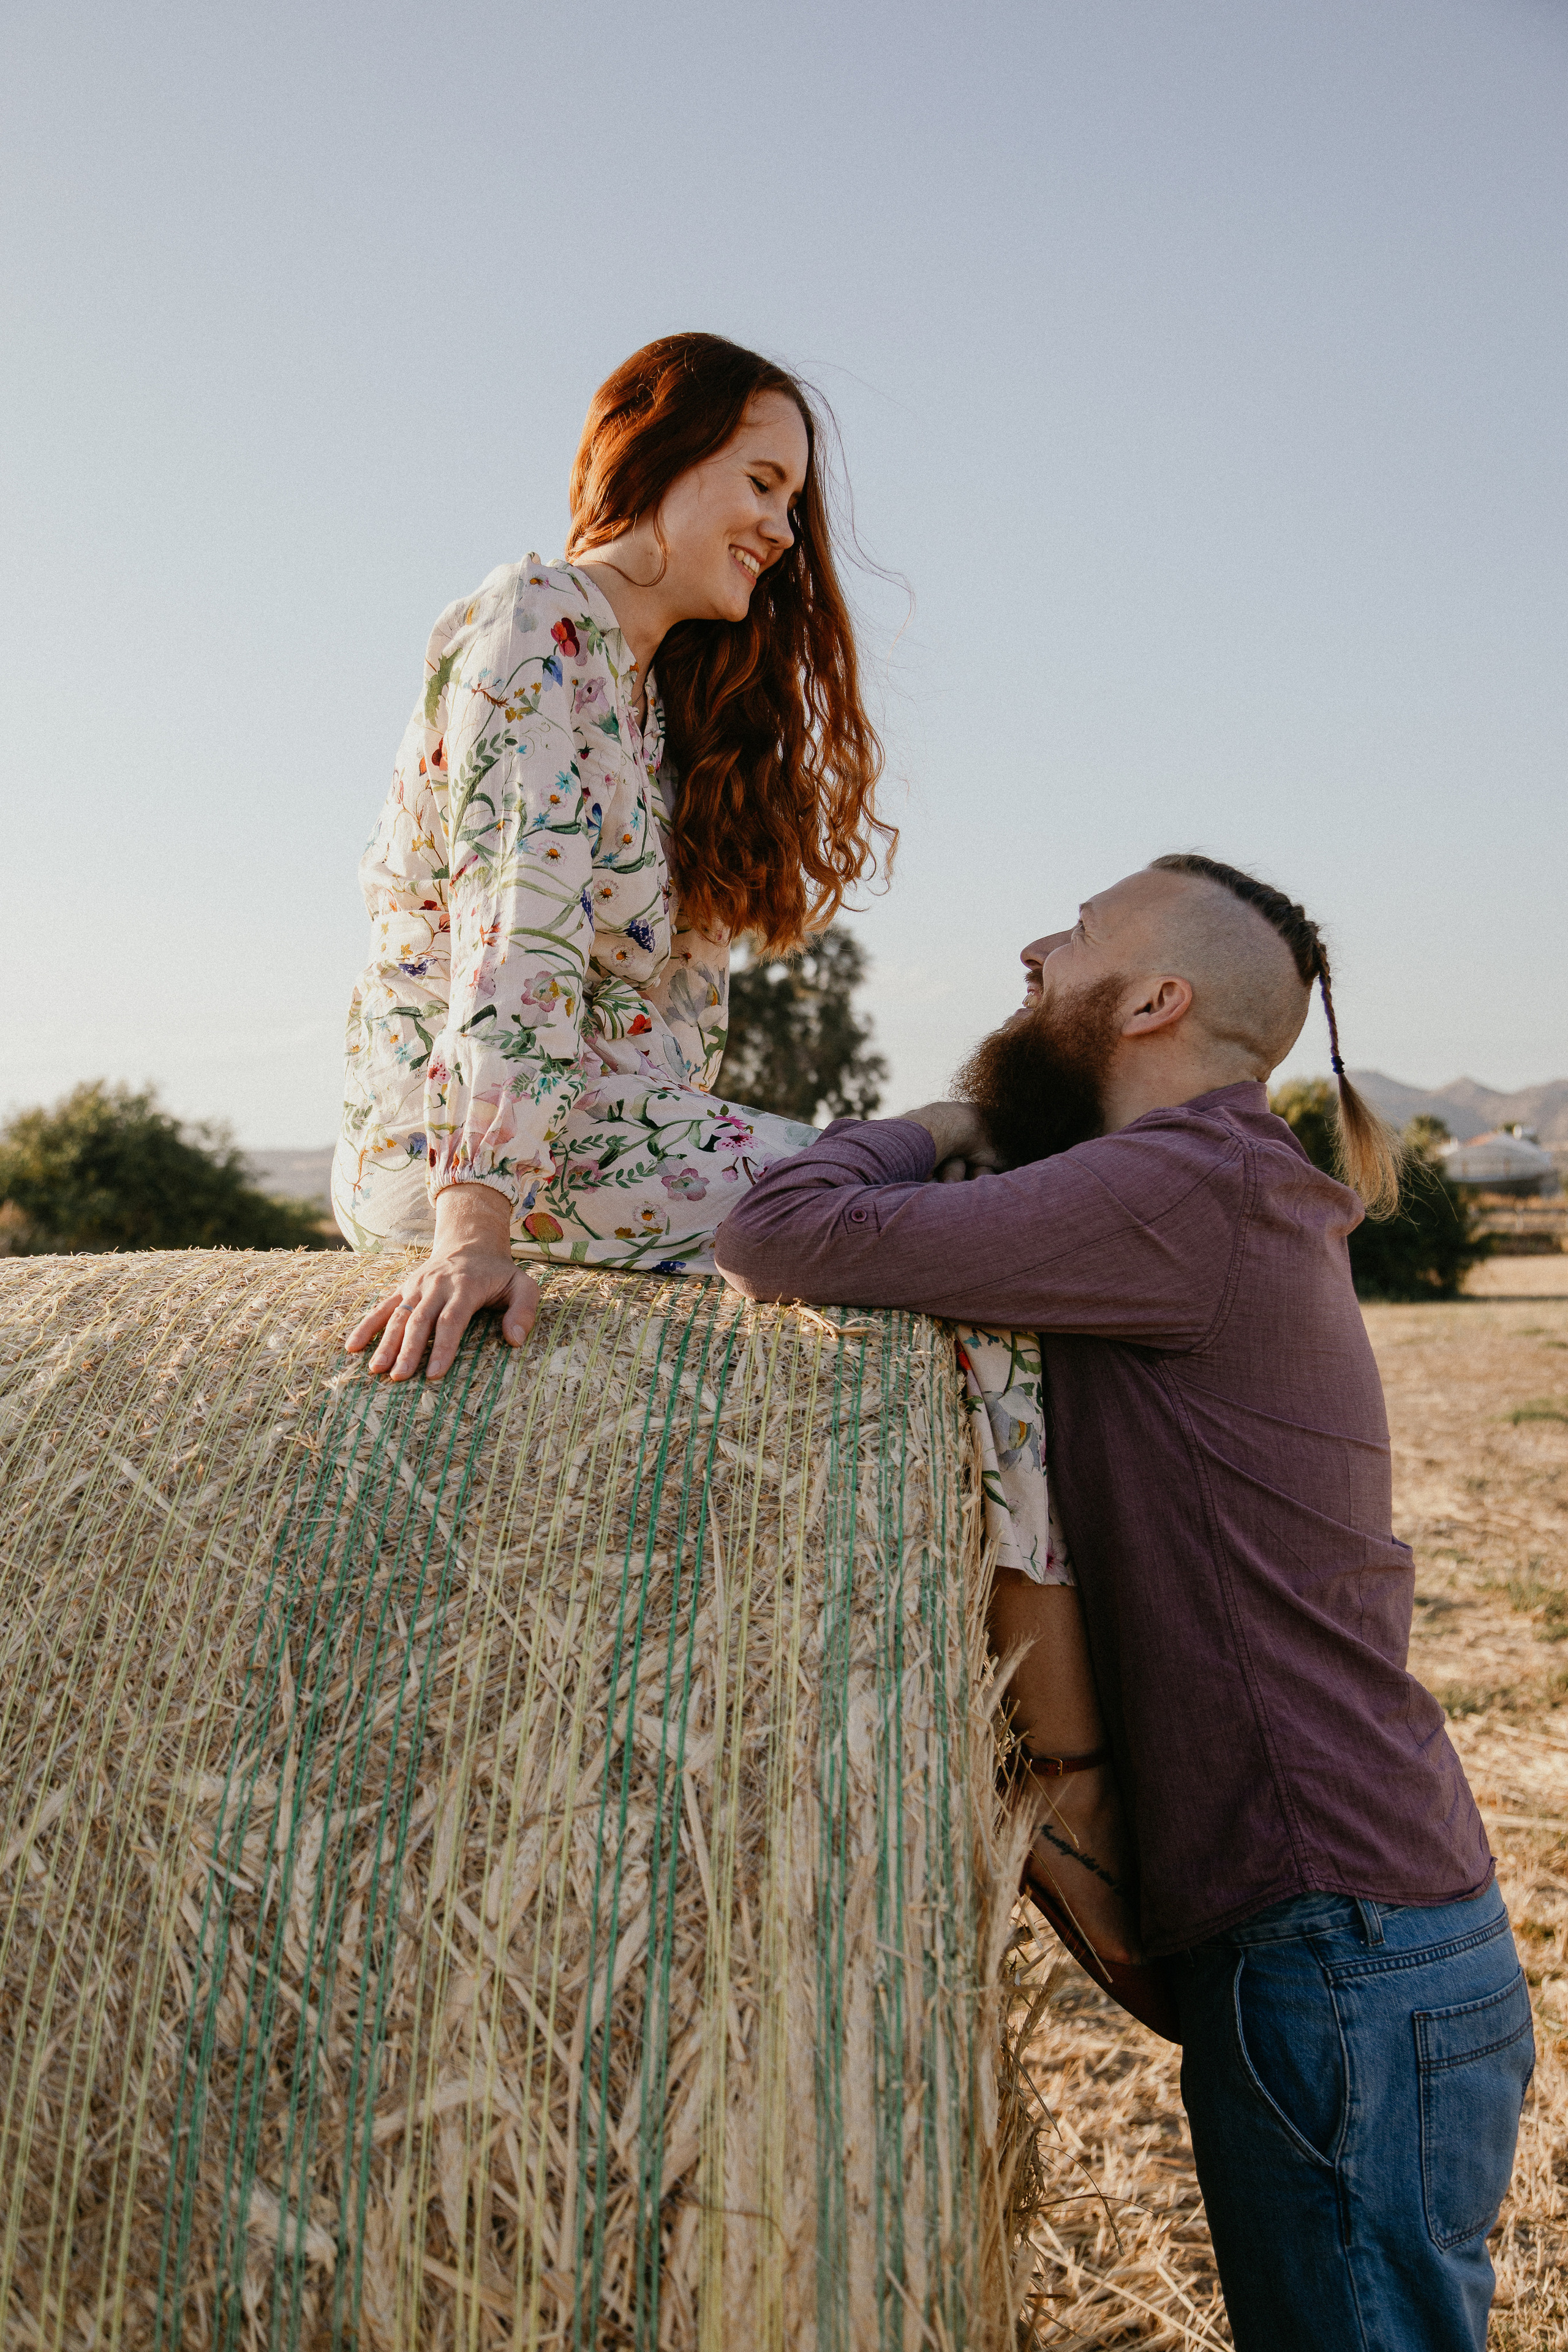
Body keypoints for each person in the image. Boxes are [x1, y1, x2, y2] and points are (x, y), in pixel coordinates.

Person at [331, 329, 1158, 2024]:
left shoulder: (643, 694)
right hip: (496, 1143)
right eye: (761, 482)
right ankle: (1067, 1785)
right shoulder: (539, 622)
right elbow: (512, 940)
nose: (784, 529)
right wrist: (476, 1222)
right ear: (651, 453)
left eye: (796, 498)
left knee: (960, 1205)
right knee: (963, 1247)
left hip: (598, 1137)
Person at [711, 853, 1532, 2352]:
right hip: (1368, 1932)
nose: (1033, 947)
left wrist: (945, 1123)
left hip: (1337, 1946)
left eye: (1078, 933)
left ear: (1155, 998)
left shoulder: (1182, 1186)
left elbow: (779, 1237)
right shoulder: (1198, 1186)